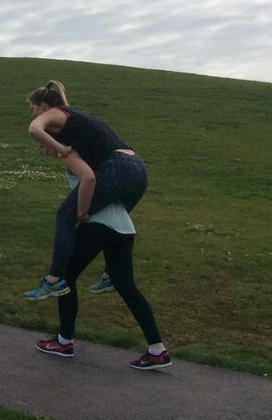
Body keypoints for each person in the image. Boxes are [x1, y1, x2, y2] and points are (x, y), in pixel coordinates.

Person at [23, 80, 147, 301]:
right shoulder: (73, 118)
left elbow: (34, 129)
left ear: (43, 105)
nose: (33, 113)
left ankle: (54, 280)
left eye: (33, 107)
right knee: (112, 221)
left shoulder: (56, 114)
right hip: (137, 169)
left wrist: (60, 149)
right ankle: (111, 274)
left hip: (119, 167)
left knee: (65, 215)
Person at [34, 196, 172, 370]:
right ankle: (157, 350)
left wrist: (81, 213)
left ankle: (64, 342)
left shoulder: (90, 175)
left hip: (98, 224)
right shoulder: (120, 175)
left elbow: (89, 182)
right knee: (126, 285)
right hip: (124, 227)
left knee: (66, 275)